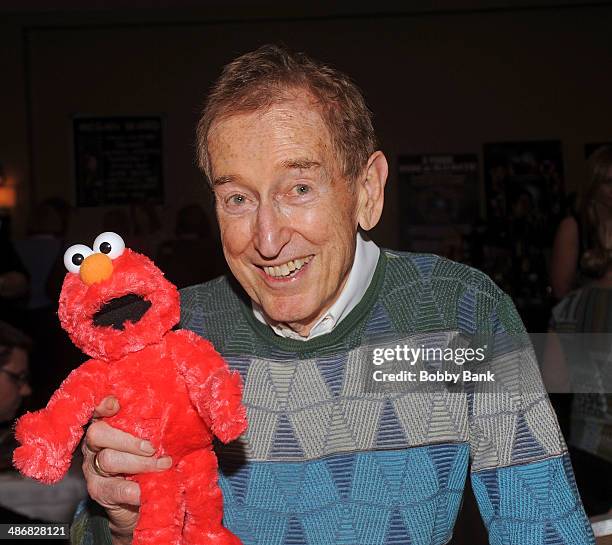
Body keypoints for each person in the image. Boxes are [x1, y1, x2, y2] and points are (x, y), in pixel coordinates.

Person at [73, 45, 594, 545]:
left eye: (299, 189)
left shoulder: (457, 313)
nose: (268, 239)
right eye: (237, 198)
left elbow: (542, 526)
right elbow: (89, 532)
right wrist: (120, 524)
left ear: (367, 191)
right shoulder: (167, 336)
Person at [550, 146, 612, 299]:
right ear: (594, 185)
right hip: (588, 319)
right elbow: (561, 292)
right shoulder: (573, 227)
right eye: (609, 182)